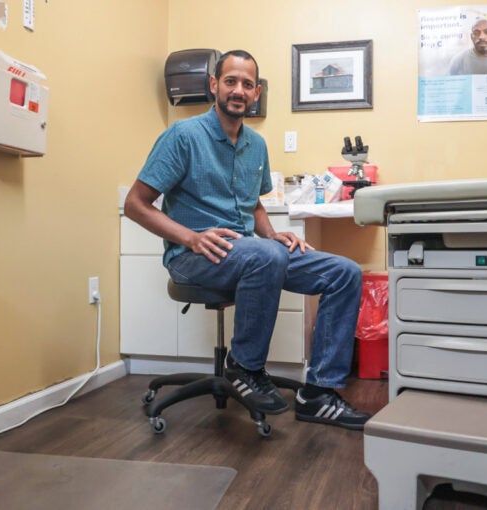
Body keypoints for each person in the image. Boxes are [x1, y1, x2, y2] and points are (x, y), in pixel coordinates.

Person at [124, 50, 371, 431]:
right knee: (265, 256)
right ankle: (244, 366)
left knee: (344, 272)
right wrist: (191, 238)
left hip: (249, 253)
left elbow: (253, 203)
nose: (238, 90)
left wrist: (274, 236)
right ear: (214, 86)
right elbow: (136, 204)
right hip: (192, 257)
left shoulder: (255, 144)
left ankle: (318, 394)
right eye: (230, 81)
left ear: (256, 93)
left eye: (247, 84)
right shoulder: (183, 136)